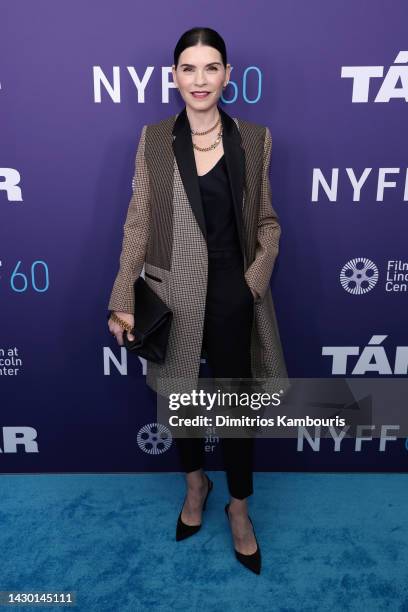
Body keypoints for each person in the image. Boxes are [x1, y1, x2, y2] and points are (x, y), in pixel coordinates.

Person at [107, 27, 288, 575]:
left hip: (236, 297)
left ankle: (237, 506)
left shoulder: (255, 139)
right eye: (189, 68)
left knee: (236, 412)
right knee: (179, 402)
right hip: (171, 295)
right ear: (173, 77)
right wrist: (123, 296)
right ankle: (195, 485)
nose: (200, 79)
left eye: (212, 68)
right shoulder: (154, 139)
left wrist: (252, 282)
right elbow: (139, 220)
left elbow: (267, 224)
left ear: (228, 76)